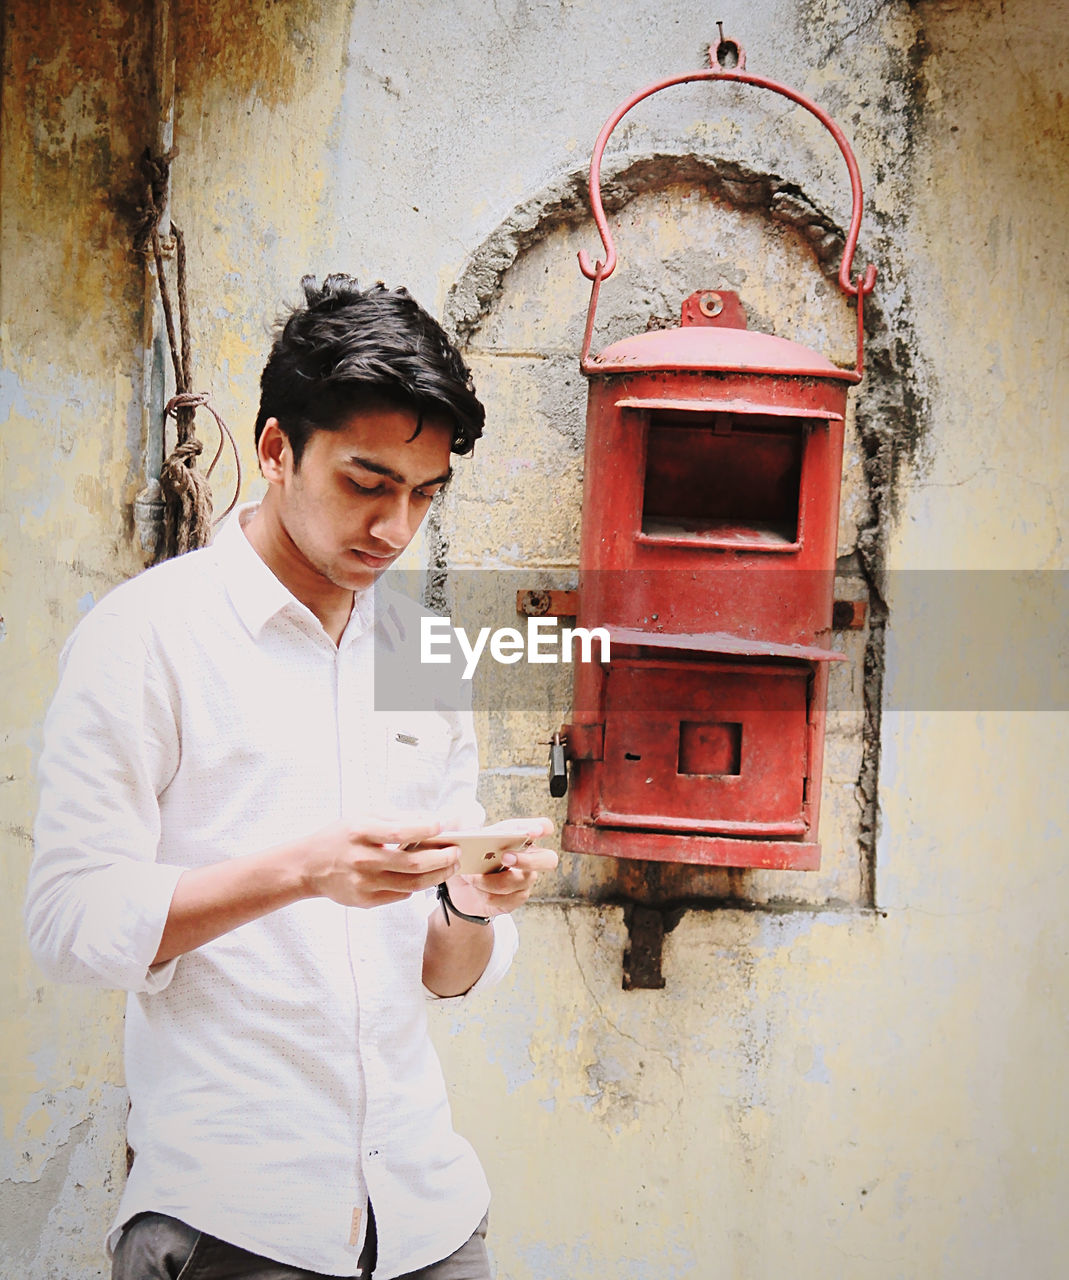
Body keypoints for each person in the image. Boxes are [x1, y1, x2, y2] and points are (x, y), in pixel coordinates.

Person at [25, 274, 558, 1280]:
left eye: (422, 493)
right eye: (366, 482)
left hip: (426, 1218)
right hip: (232, 1221)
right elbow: (67, 921)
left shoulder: (424, 650)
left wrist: (473, 902)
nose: (396, 528)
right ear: (276, 450)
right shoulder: (146, 638)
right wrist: (300, 871)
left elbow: (445, 975)